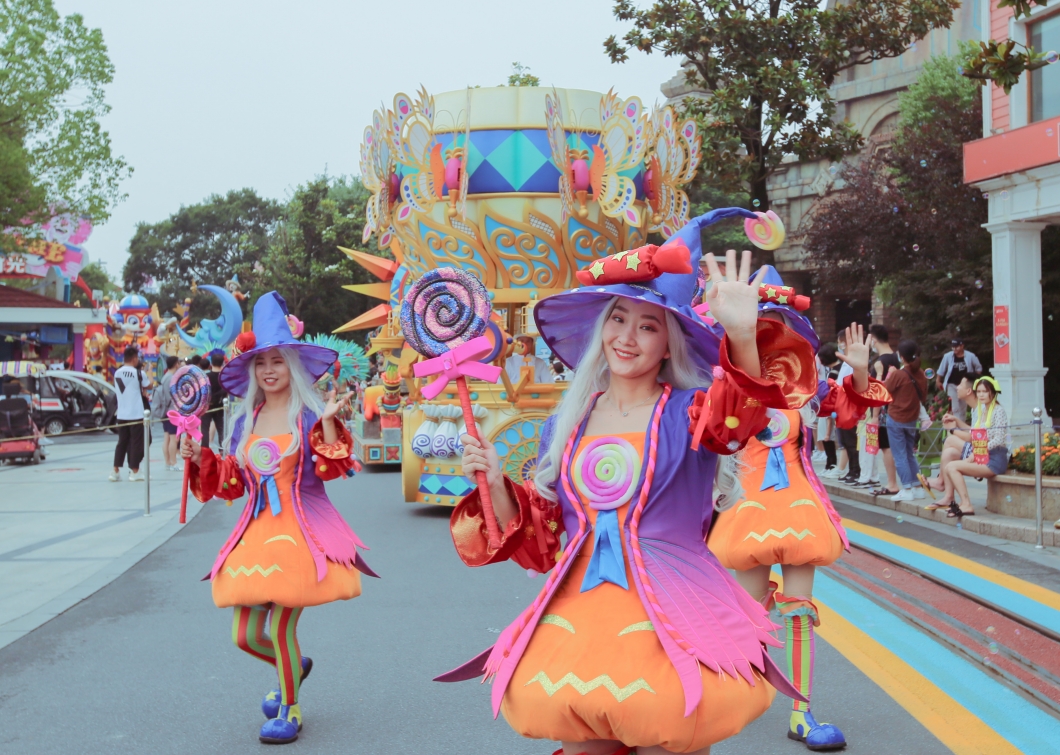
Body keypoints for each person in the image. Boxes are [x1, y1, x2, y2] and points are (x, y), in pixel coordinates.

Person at [440, 210, 810, 755]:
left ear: (670, 343)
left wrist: (739, 334)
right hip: (581, 614)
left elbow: (740, 423)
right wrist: (496, 484)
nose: (627, 337)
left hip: (675, 610)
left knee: (670, 729)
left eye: (648, 325)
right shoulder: (566, 424)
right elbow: (548, 538)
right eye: (618, 318)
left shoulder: (692, 411)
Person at [180, 292, 377, 744]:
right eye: (261, 362)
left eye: (277, 361)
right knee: (246, 636)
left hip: (299, 535)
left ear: (292, 365)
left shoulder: (308, 416)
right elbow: (233, 482)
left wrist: (329, 425)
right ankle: (293, 668)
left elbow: (332, 469)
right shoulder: (244, 422)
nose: (269, 370)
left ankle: (290, 708)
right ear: (252, 370)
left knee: (283, 627)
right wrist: (197, 457)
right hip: (253, 536)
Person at [708, 268, 890, 752]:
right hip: (748, 507)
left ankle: (801, 712)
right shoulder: (729, 383)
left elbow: (849, 410)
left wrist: (860, 371)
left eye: (780, 327)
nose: (773, 337)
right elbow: (711, 433)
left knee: (799, 613)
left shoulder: (807, 388)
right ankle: (734, 696)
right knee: (747, 614)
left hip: (797, 507)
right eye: (761, 325)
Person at [923, 377, 1008, 517]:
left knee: (952, 466)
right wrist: (956, 421)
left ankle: (966, 504)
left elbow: (999, 439)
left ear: (992, 393)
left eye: (985, 391)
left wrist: (976, 453)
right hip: (983, 455)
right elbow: (974, 433)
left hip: (994, 459)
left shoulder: (998, 411)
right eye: (979, 392)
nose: (981, 395)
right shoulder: (983, 410)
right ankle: (959, 501)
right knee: (950, 461)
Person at [883, 340, 929, 502]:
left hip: (896, 418)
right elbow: (923, 397)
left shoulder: (898, 374)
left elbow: (884, 391)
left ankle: (907, 488)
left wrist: (889, 375)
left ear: (902, 357)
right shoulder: (921, 374)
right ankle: (917, 487)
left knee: (900, 455)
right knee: (909, 453)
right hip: (912, 419)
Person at [866, 324, 901, 496]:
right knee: (894, 447)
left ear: (873, 339)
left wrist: (874, 415)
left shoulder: (879, 363)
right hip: (895, 408)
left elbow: (876, 391)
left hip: (883, 412)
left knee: (886, 447)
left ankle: (892, 483)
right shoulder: (896, 359)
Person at [111, 346, 151, 482]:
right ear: (134, 359)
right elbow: (149, 385)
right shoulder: (139, 373)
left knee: (122, 442)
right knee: (136, 443)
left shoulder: (117, 373)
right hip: (136, 413)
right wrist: (149, 372)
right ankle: (135, 471)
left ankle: (115, 470)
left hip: (122, 413)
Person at [936, 339, 982, 417]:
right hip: (952, 384)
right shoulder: (947, 356)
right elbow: (941, 369)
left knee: (963, 407)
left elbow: (978, 368)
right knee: (955, 407)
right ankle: (956, 423)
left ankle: (961, 423)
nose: (954, 349)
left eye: (956, 347)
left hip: (964, 385)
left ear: (962, 346)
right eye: (953, 347)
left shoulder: (970, 356)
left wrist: (974, 378)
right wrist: (938, 380)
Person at [151, 355, 180, 471]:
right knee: (174, 439)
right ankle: (173, 462)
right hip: (172, 411)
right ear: (176, 364)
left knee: (167, 438)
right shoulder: (171, 378)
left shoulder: (165, 377)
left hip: (166, 412)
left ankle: (168, 462)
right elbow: (171, 397)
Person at [202, 351, 227, 452]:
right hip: (220, 406)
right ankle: (222, 450)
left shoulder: (206, 377)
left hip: (207, 406)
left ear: (211, 363)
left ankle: (205, 451)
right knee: (221, 429)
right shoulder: (224, 377)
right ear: (222, 363)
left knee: (205, 429)